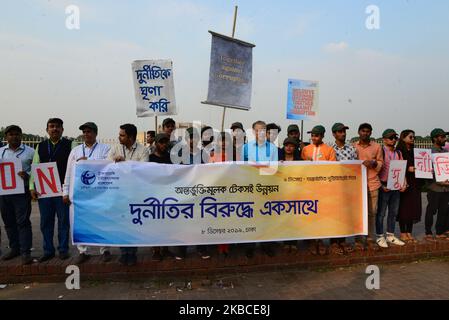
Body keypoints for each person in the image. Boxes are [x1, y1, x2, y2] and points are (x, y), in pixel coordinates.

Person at [62, 122, 111, 264]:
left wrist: (88, 161)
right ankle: (83, 251)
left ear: (96, 133)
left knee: (101, 220)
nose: (86, 134)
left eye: (89, 131)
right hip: (79, 192)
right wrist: (65, 191)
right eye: (84, 132)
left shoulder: (105, 149)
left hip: (98, 192)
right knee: (80, 221)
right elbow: (68, 172)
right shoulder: (75, 151)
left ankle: (105, 249)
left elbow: (107, 166)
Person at [30, 118, 76, 262]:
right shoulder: (40, 146)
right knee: (46, 223)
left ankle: (63, 250)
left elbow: (75, 166)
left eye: (57, 127)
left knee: (63, 222)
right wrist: (32, 187)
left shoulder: (71, 145)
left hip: (62, 191)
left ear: (62, 129)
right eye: (51, 126)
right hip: (45, 191)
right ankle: (48, 250)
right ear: (47, 130)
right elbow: (35, 166)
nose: (54, 129)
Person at [108, 124, 149, 266]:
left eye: (122, 135)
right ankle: (123, 252)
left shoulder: (143, 150)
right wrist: (114, 163)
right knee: (121, 223)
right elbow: (107, 166)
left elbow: (143, 169)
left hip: (135, 192)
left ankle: (132, 253)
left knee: (133, 224)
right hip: (119, 192)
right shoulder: (115, 149)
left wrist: (124, 163)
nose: (119, 137)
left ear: (130, 137)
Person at [241, 121, 279, 258]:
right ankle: (250, 246)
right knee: (250, 217)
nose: (260, 133)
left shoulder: (273, 149)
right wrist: (261, 167)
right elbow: (242, 169)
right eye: (258, 130)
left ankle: (266, 245)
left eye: (263, 130)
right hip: (250, 188)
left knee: (266, 218)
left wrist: (255, 167)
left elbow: (273, 170)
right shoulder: (246, 148)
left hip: (267, 188)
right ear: (253, 131)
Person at [173, 127, 211, 260]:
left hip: (199, 192)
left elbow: (208, 172)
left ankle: (201, 248)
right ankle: (181, 249)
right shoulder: (178, 154)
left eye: (195, 137)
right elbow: (173, 173)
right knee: (183, 221)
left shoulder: (203, 154)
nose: (192, 140)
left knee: (199, 220)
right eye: (190, 137)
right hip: (183, 193)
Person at [0, 125, 35, 265]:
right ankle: (14, 248)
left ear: (21, 135)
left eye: (16, 134)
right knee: (8, 222)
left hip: (22, 192)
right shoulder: (1, 152)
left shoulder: (31, 152)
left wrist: (28, 176)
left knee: (23, 222)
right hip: (4, 193)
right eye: (11, 134)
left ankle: (26, 252)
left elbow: (37, 171)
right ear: (6, 137)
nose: (14, 137)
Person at [301, 125, 336, 255]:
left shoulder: (329, 150)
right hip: (307, 187)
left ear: (322, 136)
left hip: (323, 187)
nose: (314, 138)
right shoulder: (305, 149)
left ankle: (320, 240)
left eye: (316, 135)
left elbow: (333, 169)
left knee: (321, 214)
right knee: (309, 213)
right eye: (312, 136)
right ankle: (311, 240)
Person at [353, 123, 383, 250]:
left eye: (367, 131)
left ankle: (370, 238)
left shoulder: (376, 147)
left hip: (372, 183)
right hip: (357, 184)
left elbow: (381, 163)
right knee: (358, 212)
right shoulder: (353, 147)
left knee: (372, 212)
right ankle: (359, 239)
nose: (365, 133)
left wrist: (374, 162)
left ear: (371, 133)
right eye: (363, 131)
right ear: (359, 132)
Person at [375, 129, 406, 248]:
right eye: (390, 138)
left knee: (393, 212)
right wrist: (381, 185)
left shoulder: (398, 153)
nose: (393, 140)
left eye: (394, 138)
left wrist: (404, 183)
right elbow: (375, 171)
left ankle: (390, 235)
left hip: (395, 185)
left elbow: (401, 169)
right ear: (384, 139)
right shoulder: (381, 151)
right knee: (381, 213)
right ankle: (379, 236)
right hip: (383, 184)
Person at [330, 123, 358, 255]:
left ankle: (342, 240)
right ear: (334, 134)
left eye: (344, 131)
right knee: (334, 215)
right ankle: (334, 242)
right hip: (333, 188)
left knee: (344, 215)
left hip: (348, 188)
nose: (343, 134)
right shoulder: (330, 149)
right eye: (340, 132)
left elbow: (356, 168)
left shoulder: (352, 149)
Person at [148, 133, 174, 261]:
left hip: (168, 195)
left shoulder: (171, 158)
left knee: (167, 223)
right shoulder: (150, 158)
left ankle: (166, 248)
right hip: (154, 195)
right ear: (156, 144)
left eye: (165, 142)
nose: (164, 145)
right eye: (161, 142)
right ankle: (156, 250)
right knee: (155, 225)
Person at [209, 132, 234, 257]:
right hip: (217, 191)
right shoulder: (213, 155)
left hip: (230, 190)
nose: (224, 143)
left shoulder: (234, 155)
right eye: (221, 141)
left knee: (228, 219)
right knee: (218, 219)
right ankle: (220, 245)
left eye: (226, 141)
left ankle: (227, 246)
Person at [396, 130, 422, 243]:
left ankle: (409, 233)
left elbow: (421, 164)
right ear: (403, 138)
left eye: (414, 137)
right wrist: (408, 168)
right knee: (403, 208)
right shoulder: (399, 151)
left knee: (413, 207)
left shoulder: (416, 151)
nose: (413, 139)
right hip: (403, 181)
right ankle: (403, 233)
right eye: (410, 137)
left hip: (415, 182)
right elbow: (396, 166)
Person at [424, 128, 449, 241]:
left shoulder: (445, 152)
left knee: (443, 211)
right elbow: (425, 171)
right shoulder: (428, 152)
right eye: (442, 136)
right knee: (431, 210)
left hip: (445, 187)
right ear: (435, 138)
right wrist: (436, 180)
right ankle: (428, 232)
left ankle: (439, 232)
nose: (445, 138)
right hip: (434, 187)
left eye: (445, 136)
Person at [279, 137, 301, 252]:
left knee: (295, 219)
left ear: (295, 148)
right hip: (282, 193)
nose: (289, 147)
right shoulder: (278, 159)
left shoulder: (300, 161)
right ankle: (286, 242)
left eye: (291, 145)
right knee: (285, 218)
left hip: (296, 193)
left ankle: (294, 242)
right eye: (287, 145)